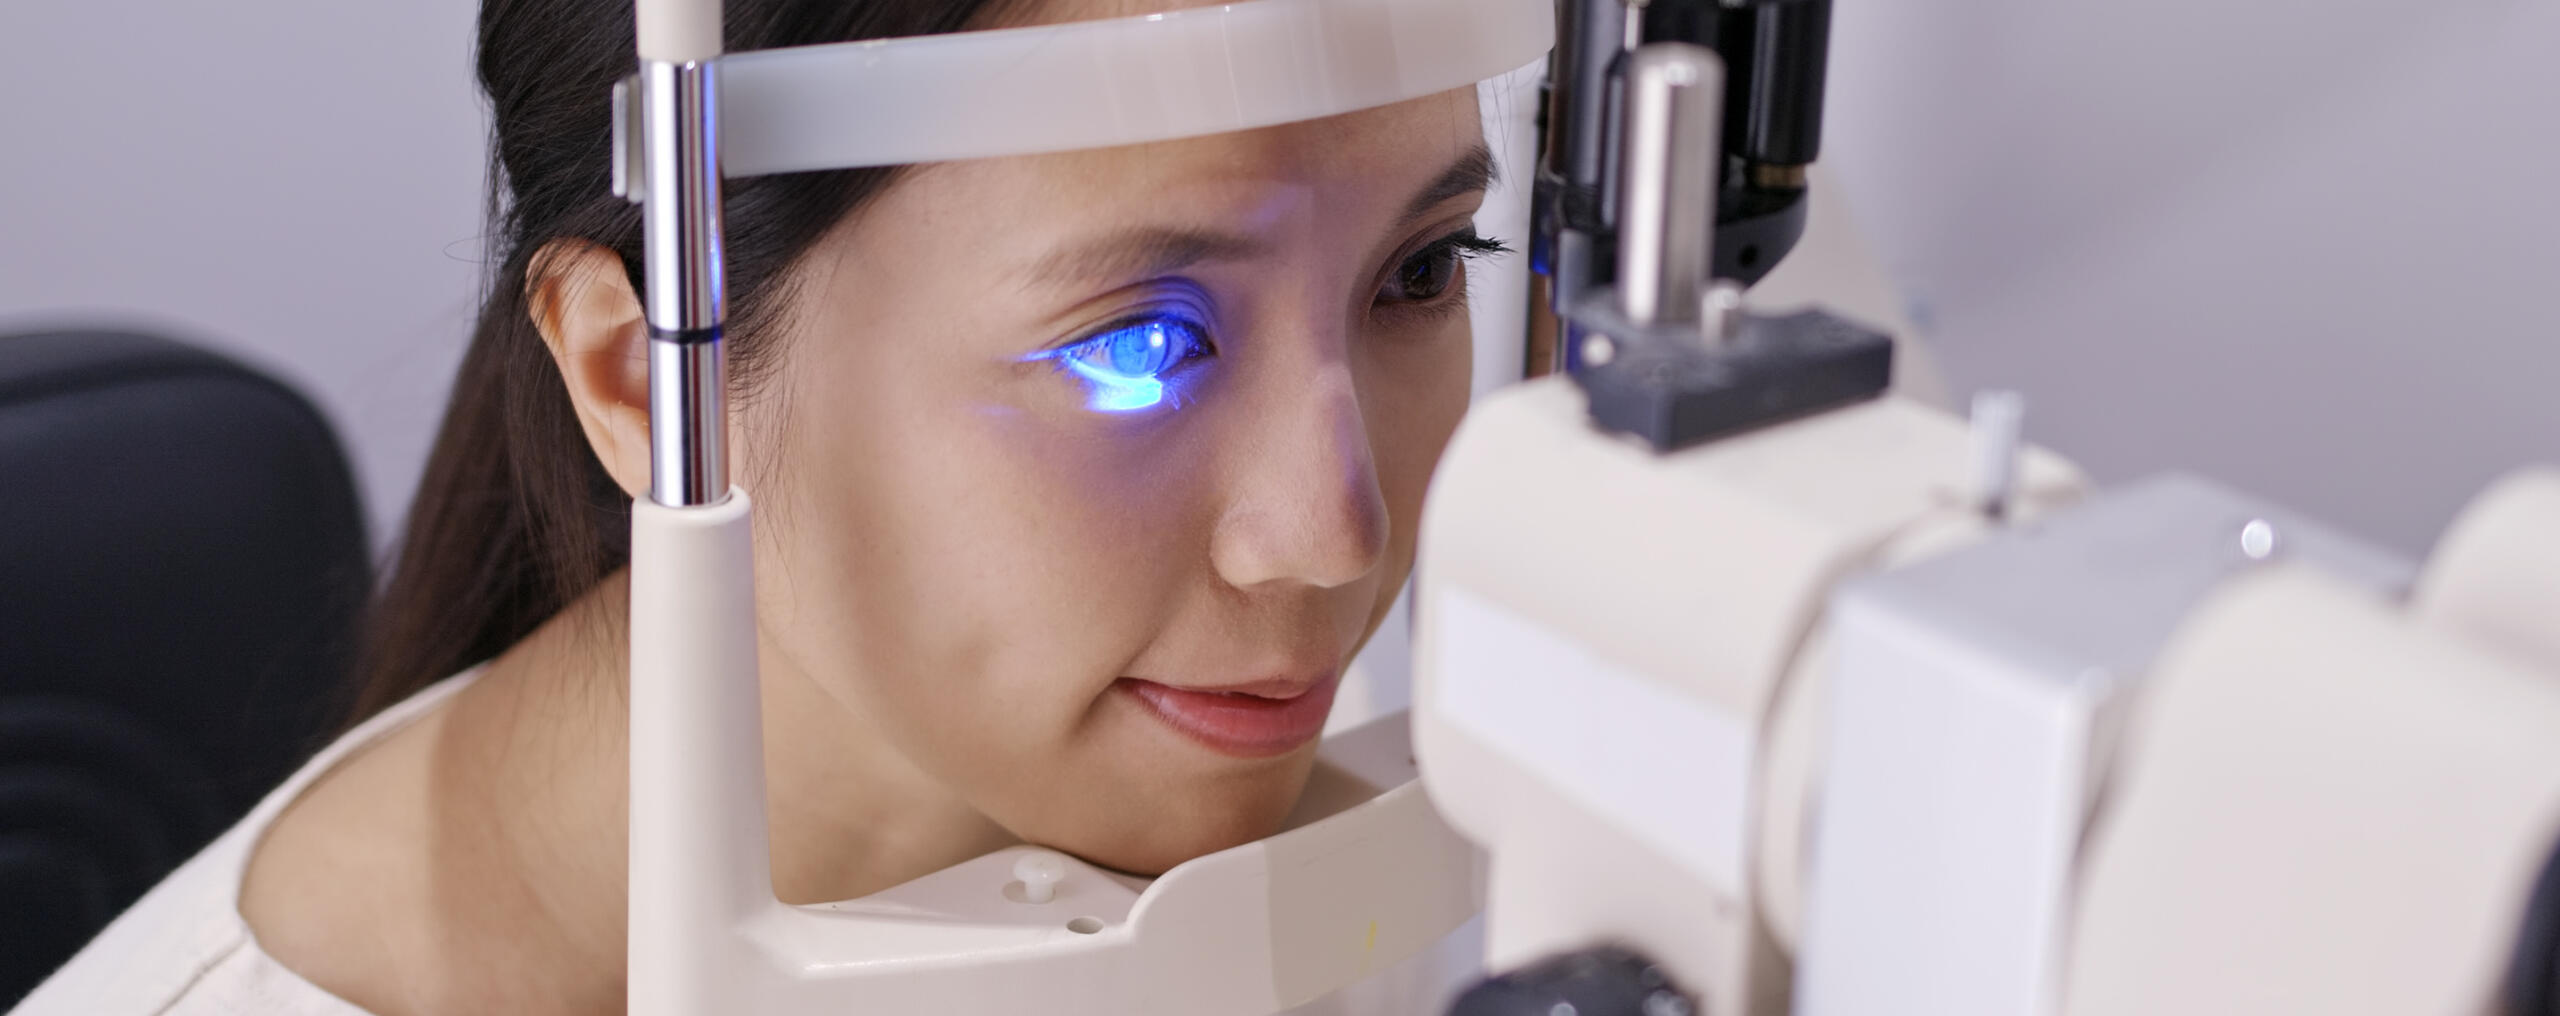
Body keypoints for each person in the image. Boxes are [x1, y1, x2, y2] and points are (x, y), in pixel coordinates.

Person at [12, 0, 1505, 1012]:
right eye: (1138, 345)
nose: (1335, 534)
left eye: (1420, 271)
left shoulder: (1296, 809)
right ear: (646, 379)